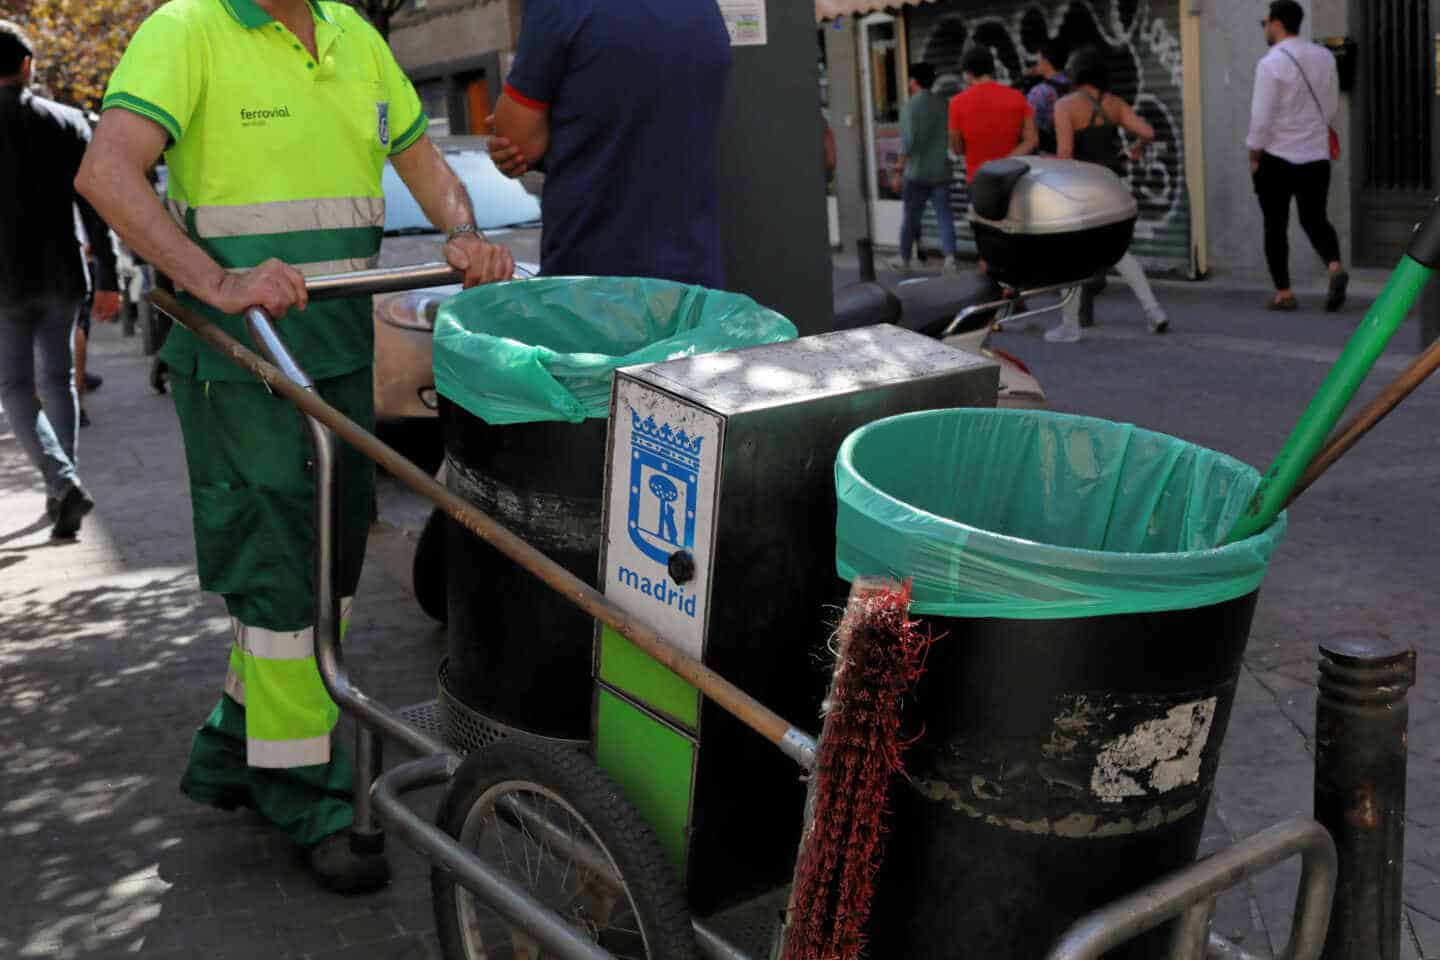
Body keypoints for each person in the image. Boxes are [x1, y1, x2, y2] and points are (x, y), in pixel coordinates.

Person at [76, 0, 514, 894]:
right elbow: (106, 174)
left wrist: (465, 231)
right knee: (285, 581)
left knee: (330, 573)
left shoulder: (356, 38)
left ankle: (239, 748)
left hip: (340, 357)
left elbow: (425, 164)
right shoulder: (189, 29)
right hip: (245, 370)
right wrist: (216, 278)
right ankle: (306, 792)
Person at [486, 0, 731, 286]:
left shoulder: (560, 7)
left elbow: (517, 139)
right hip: (694, 279)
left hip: (592, 286)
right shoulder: (704, 8)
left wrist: (549, 133)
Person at [0, 20, 119, 539]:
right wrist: (109, 274)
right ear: (28, 66)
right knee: (59, 382)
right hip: (62, 274)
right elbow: (98, 207)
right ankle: (62, 487)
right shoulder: (69, 121)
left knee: (15, 388)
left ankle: (63, 483)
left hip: (3, 284)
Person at [1047, 46, 1168, 343]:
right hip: (1113, 184)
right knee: (1119, 252)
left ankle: (1070, 325)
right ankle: (1154, 311)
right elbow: (1148, 132)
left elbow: (1065, 155)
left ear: (1075, 72)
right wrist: (1134, 150)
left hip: (1082, 188)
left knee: (1069, 258)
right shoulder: (1114, 104)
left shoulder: (1065, 106)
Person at [1248, 0, 1346, 312]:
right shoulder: (1324, 56)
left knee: (1275, 225)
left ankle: (1284, 293)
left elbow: (1261, 118)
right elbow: (1330, 107)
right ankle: (1334, 266)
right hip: (1315, 154)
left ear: (1276, 23)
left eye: (1265, 22)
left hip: (1276, 156)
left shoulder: (1270, 63)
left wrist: (1254, 153)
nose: (1265, 27)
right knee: (1315, 217)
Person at [949, 46, 1037, 275]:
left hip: (978, 182)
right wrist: (1007, 160)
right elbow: (1031, 140)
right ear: (992, 68)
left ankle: (991, 295)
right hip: (1013, 180)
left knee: (986, 244)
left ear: (968, 73)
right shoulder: (1017, 98)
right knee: (1010, 238)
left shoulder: (957, 103)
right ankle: (1011, 292)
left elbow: (957, 148)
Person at [887, 64, 956, 275]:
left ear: (913, 81)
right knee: (944, 216)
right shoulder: (944, 104)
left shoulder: (910, 107)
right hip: (940, 170)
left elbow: (908, 141)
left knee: (911, 217)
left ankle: (904, 257)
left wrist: (898, 168)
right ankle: (950, 258)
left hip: (916, 172)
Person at [1027, 39, 1072, 155]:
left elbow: (1030, 128)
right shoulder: (1077, 86)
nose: (1037, 65)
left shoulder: (1038, 92)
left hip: (1052, 155)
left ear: (1046, 61)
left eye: (1038, 61)